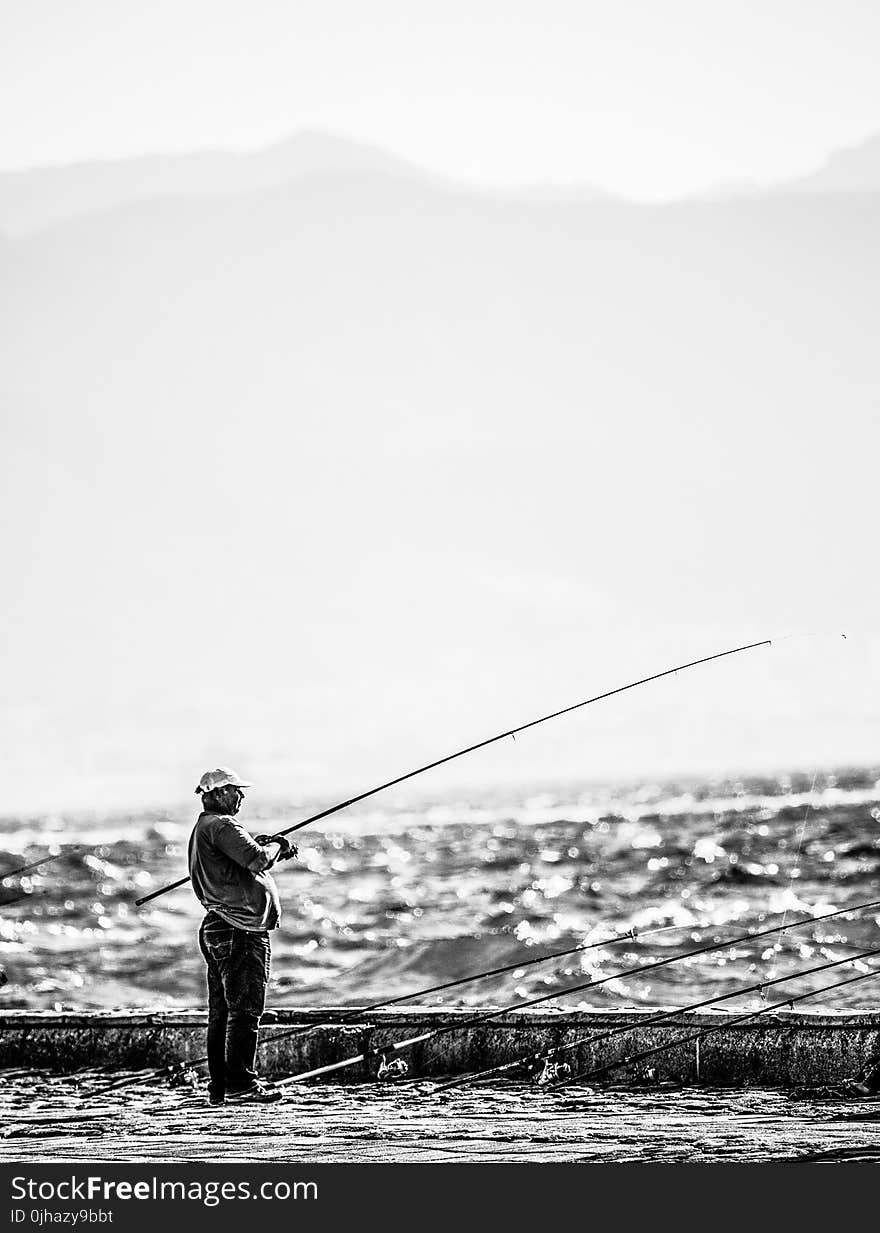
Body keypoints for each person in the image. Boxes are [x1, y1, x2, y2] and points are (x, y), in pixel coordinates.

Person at [188, 767, 297, 1105]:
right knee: (245, 1011)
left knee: (222, 1013)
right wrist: (277, 846)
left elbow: (240, 858)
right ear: (218, 794)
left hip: (219, 927)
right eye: (235, 790)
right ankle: (241, 1086)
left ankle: (220, 1088)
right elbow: (253, 859)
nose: (241, 796)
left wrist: (263, 848)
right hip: (239, 930)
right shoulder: (221, 825)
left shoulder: (205, 829)